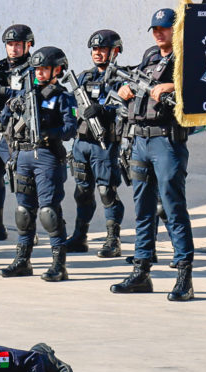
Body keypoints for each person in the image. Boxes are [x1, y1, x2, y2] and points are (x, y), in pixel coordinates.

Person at [111, 8, 195, 301]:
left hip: (167, 141)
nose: (158, 33)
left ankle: (184, 276)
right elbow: (134, 77)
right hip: (140, 141)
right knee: (143, 209)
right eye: (155, 29)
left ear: (176, 29)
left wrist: (174, 86)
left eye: (163, 28)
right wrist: (125, 89)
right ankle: (141, 271)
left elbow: (204, 85)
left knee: (173, 207)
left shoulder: (187, 56)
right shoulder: (150, 55)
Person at [0, 46, 77, 282]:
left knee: (49, 211)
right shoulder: (23, 94)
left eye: (45, 69)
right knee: (23, 211)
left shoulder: (63, 97)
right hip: (22, 155)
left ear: (58, 69)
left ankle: (58, 264)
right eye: (37, 69)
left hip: (46, 156)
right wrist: (10, 107)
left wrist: (46, 132)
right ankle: (22, 261)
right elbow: (3, 121)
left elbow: (70, 129)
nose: (40, 73)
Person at [64, 30, 126, 258]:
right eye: (94, 49)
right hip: (82, 143)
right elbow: (70, 106)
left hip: (105, 144)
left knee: (106, 191)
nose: (97, 53)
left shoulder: (121, 79)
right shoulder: (83, 78)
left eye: (102, 49)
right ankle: (80, 236)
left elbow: (125, 108)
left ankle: (113, 240)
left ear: (115, 51)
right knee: (82, 192)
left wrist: (103, 109)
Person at [0, 24, 36, 242]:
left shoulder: (33, 68)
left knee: (23, 183)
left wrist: (4, 90)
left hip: (15, 135)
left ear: (28, 45)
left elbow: (32, 95)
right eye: (9, 45)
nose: (12, 49)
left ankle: (28, 228)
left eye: (17, 45)